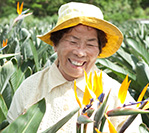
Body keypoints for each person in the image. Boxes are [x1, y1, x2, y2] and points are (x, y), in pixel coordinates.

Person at [7, 2, 142, 132]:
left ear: (99, 50)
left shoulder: (115, 94)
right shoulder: (29, 89)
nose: (80, 52)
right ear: (55, 44)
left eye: (90, 45)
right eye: (73, 41)